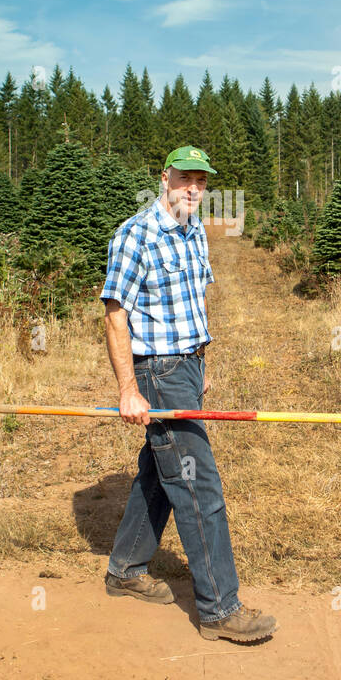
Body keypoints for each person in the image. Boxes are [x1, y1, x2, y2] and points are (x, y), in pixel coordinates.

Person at [100, 144, 278, 644]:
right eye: (185, 180)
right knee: (199, 485)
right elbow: (115, 314)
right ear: (164, 178)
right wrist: (129, 389)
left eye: (201, 181)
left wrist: (204, 366)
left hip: (188, 364)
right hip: (156, 371)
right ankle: (220, 609)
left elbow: (197, 300)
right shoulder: (135, 235)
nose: (193, 189)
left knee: (161, 471)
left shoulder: (195, 229)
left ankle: (125, 568)